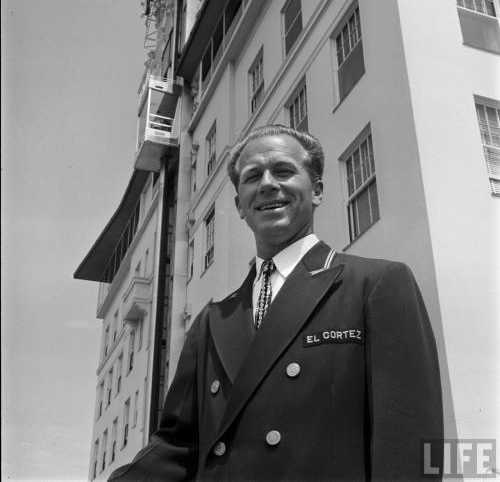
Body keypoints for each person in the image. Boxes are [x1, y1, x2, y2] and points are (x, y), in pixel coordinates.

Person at [109, 125, 443, 481]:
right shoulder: (212, 321)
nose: (268, 183)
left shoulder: (375, 285)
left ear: (316, 190)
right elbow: (176, 447)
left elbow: (410, 441)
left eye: (283, 171)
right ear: (239, 204)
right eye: (253, 177)